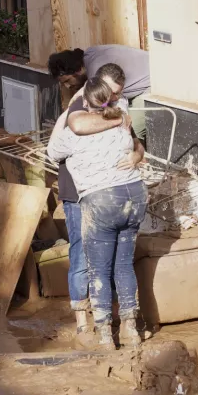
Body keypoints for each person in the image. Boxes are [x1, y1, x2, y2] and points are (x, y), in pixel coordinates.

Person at [46, 76, 147, 349]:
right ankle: (131, 330)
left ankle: (104, 335)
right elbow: (139, 147)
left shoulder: (74, 135)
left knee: (98, 269)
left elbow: (51, 151)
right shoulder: (122, 125)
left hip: (103, 201)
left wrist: (67, 112)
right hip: (135, 197)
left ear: (86, 105)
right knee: (124, 265)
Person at [47, 45, 150, 141]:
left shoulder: (96, 74)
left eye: (67, 80)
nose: (67, 86)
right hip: (146, 77)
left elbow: (99, 104)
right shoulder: (90, 53)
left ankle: (138, 156)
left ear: (78, 70)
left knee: (131, 130)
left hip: (153, 84)